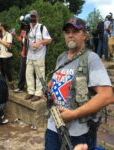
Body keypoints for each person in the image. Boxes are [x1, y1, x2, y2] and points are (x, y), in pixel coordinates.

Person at [45, 17, 114, 150]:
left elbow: (107, 96)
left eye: (75, 31)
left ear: (85, 35)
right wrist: (49, 90)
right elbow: (56, 83)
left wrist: (73, 114)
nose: (70, 35)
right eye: (67, 32)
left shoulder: (92, 59)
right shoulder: (61, 57)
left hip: (78, 133)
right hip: (53, 126)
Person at [25, 10, 52, 102]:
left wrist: (40, 42)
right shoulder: (27, 28)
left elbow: (49, 40)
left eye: (34, 16)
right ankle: (31, 92)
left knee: (39, 75)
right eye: (31, 16)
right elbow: (25, 40)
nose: (32, 18)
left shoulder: (42, 27)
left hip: (39, 55)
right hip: (30, 55)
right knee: (28, 74)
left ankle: (39, 93)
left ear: (37, 17)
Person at [13, 14, 30, 93]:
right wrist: (15, 35)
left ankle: (33, 90)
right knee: (22, 71)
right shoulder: (23, 30)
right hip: (24, 54)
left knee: (31, 73)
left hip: (32, 55)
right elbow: (20, 39)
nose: (24, 24)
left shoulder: (35, 31)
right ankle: (20, 87)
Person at [0, 23, 14, 88]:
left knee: (7, 69)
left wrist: (0, 40)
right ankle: (4, 84)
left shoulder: (8, 35)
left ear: (2, 27)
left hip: (6, 55)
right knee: (1, 70)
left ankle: (11, 83)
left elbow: (8, 45)